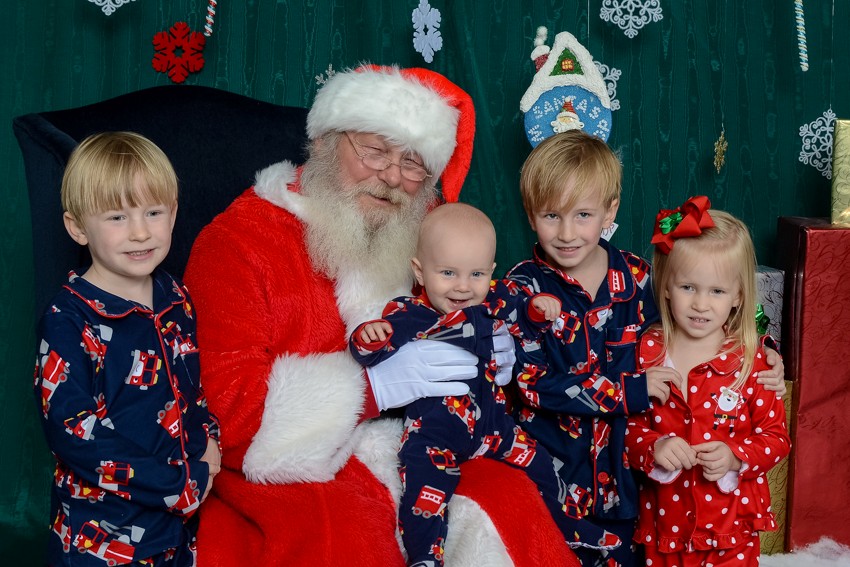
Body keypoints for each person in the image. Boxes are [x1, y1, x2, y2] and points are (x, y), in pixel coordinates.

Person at [183, 66, 580, 566]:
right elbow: (226, 412)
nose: (392, 177)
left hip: (422, 443)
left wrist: (492, 349)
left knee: (509, 502)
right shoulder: (236, 242)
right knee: (346, 535)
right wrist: (370, 389)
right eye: (374, 151)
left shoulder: (425, 232)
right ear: (324, 142)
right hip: (290, 465)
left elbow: (472, 303)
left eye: (413, 163)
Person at [505, 131, 787, 566]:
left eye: (583, 215)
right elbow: (530, 385)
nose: (566, 233)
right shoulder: (521, 289)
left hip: (626, 482)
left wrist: (764, 347)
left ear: (610, 211)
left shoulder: (636, 277)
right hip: (553, 470)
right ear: (530, 214)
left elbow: (701, 312)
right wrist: (629, 392)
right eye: (551, 216)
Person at [350, 203, 622, 566]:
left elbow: (526, 318)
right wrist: (369, 337)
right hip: (435, 432)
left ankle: (570, 526)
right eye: (448, 273)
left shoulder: (496, 298)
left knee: (542, 465)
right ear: (420, 270)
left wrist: (538, 310)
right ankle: (424, 556)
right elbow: (370, 350)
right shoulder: (410, 313)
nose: (463, 287)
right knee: (423, 490)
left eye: (476, 273)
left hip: (494, 427)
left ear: (491, 272)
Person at [33, 132, 221, 566]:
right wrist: (177, 483)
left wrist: (209, 439)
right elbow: (72, 431)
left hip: (179, 529)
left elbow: (190, 387)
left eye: (153, 212)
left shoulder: (175, 296)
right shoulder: (68, 319)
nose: (140, 232)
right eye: (117, 217)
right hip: (101, 537)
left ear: (173, 214)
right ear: (78, 228)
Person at [624, 197, 791, 566]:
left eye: (716, 291)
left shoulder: (752, 361)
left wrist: (735, 456)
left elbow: (777, 439)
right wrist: (654, 447)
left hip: (732, 526)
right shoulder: (645, 353)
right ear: (665, 286)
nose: (701, 304)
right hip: (664, 524)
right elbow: (625, 427)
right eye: (688, 287)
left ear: (738, 296)